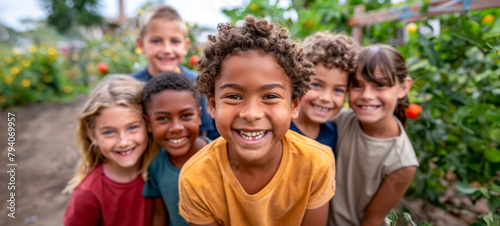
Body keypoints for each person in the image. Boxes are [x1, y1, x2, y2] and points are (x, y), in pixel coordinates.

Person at [178, 16, 336, 226]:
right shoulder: (196, 178)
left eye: (270, 96)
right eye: (234, 96)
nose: (251, 114)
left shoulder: (316, 163)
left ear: (294, 105)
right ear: (213, 105)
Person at [328, 44, 419, 226]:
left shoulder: (402, 162)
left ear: (403, 87)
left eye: (379, 85)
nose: (367, 95)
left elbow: (372, 220)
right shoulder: (341, 120)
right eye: (357, 85)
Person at [62, 75, 158, 226]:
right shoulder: (88, 193)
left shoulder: (160, 168)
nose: (124, 141)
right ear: (92, 134)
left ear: (148, 124)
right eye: (109, 132)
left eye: (132, 127)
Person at [131, 4, 217, 139]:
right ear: (141, 44)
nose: (166, 49)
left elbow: (202, 134)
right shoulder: (132, 86)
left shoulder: (197, 84)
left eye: (175, 41)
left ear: (185, 46)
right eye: (156, 41)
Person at [142, 72, 212, 226]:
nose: (176, 128)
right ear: (148, 124)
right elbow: (160, 215)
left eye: (186, 115)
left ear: (199, 116)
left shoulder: (220, 158)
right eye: (163, 119)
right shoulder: (156, 164)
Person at [291, 31, 359, 157]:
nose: (326, 98)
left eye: (338, 90)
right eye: (316, 85)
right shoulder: (281, 130)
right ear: (298, 81)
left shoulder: (333, 134)